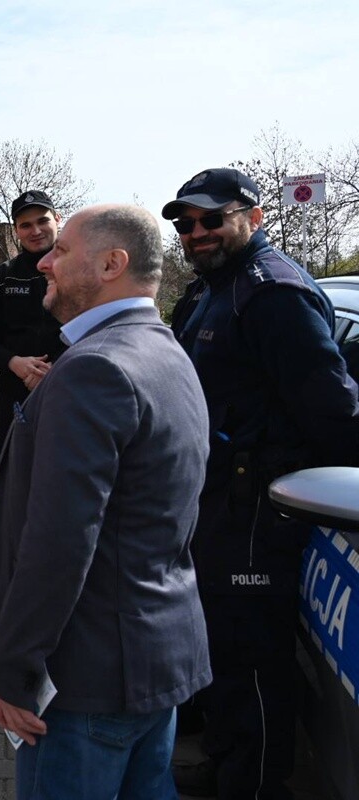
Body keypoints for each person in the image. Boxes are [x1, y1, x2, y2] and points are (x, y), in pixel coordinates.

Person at [0, 204, 212, 800]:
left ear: (113, 264)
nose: (44, 261)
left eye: (61, 250)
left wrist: (15, 670)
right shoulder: (163, 349)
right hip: (149, 663)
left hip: (87, 680)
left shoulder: (95, 369)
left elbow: (60, 544)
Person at [163, 167, 359, 799]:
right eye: (185, 223)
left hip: (256, 511)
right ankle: (226, 760)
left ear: (254, 216)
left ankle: (252, 786)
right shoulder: (209, 290)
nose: (196, 232)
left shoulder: (272, 294)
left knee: (251, 658)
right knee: (220, 645)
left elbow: (333, 412)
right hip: (213, 504)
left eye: (211, 219)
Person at [0, 190, 67, 456]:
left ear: (57, 219)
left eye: (42, 220)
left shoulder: (81, 270)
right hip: (15, 398)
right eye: (25, 225)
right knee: (13, 486)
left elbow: (97, 333)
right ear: (16, 231)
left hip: (70, 396)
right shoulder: (3, 277)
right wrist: (16, 364)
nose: (35, 230)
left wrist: (55, 369)